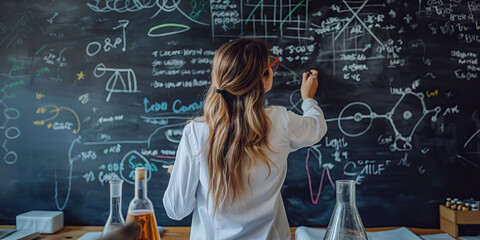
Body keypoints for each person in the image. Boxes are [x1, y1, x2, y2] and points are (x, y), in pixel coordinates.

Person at [163, 38, 327, 240]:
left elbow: (176, 210)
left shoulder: (197, 131)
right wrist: (308, 99)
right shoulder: (282, 121)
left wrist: (180, 174)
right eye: (271, 65)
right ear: (264, 80)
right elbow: (317, 127)